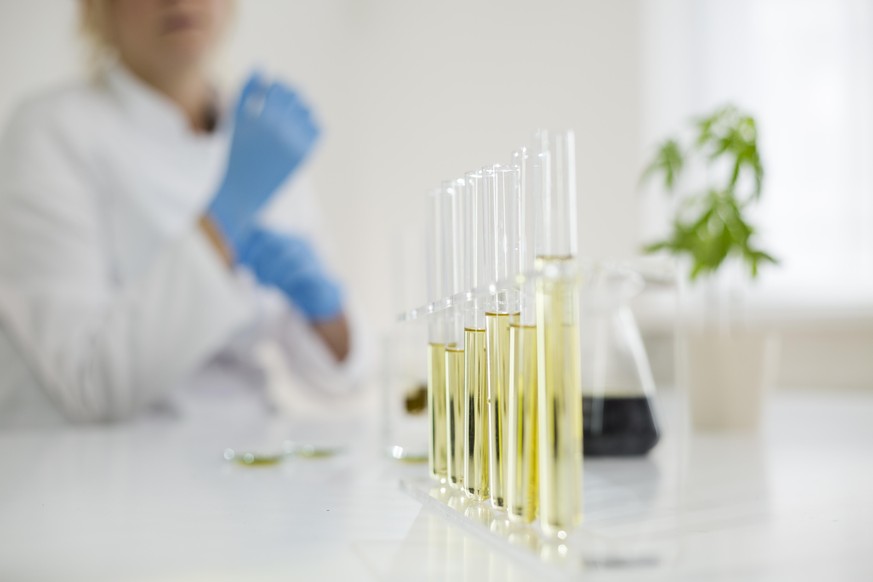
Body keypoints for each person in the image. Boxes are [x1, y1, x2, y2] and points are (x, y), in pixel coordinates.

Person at [0, 0, 369, 425]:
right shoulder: (50, 130)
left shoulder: (254, 135)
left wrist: (325, 308)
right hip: (109, 469)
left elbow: (341, 377)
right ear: (98, 9)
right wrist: (219, 228)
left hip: (250, 447)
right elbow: (89, 381)